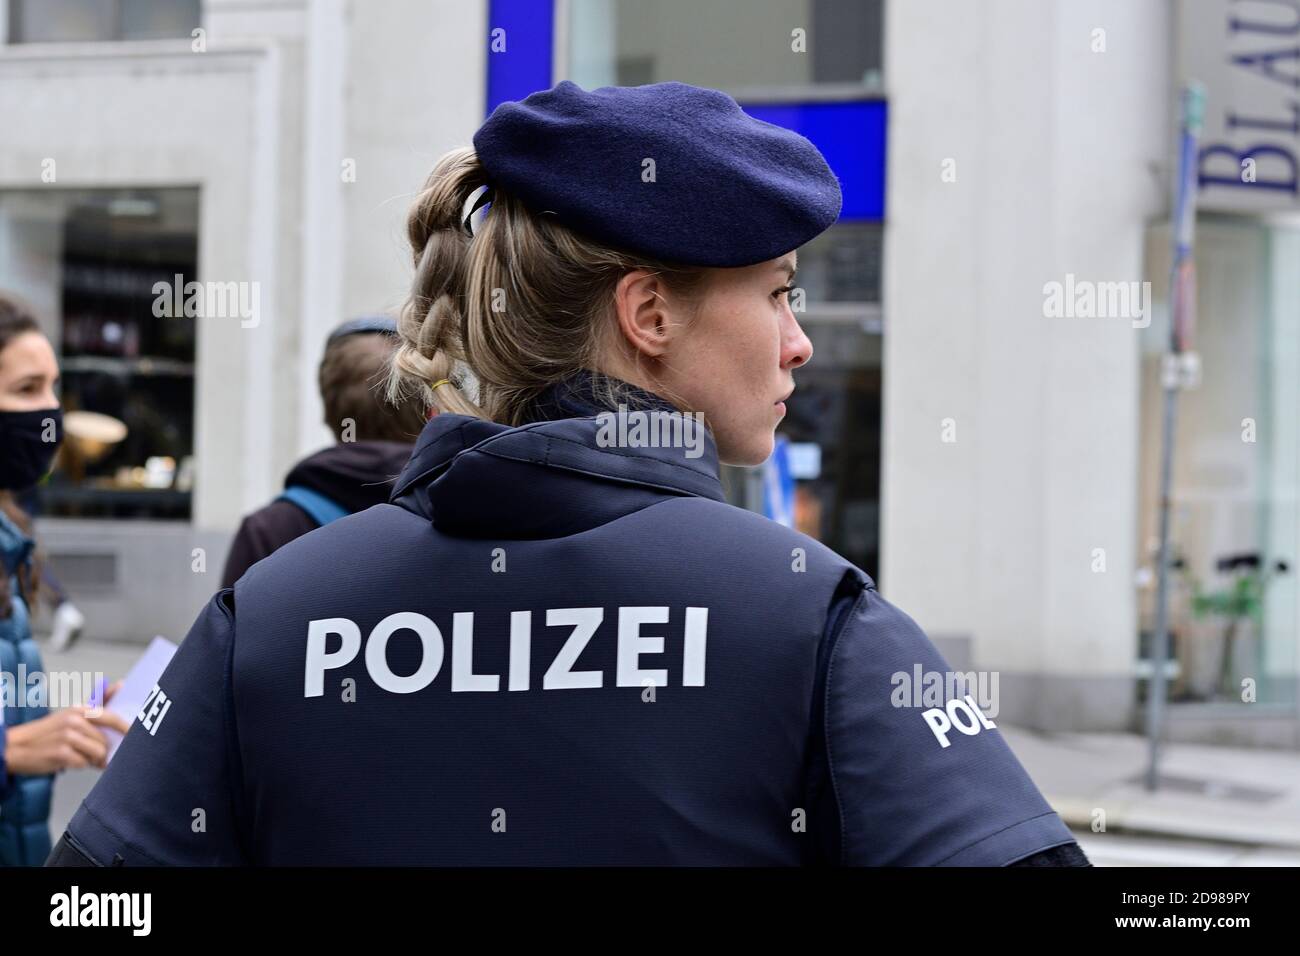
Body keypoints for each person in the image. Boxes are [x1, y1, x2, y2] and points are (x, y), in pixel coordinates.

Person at [49, 81, 1089, 866]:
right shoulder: (810, 619)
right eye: (777, 294)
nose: (799, 342)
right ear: (647, 313)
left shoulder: (269, 616)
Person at [0, 293, 129, 866]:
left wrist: (68, 721)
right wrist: (11, 751)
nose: (50, 412)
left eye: (54, 388)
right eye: (27, 390)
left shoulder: (13, 541)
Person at [220, 316, 424, 589]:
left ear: (329, 412)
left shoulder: (270, 530)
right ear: (427, 410)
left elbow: (228, 628)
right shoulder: (462, 514)